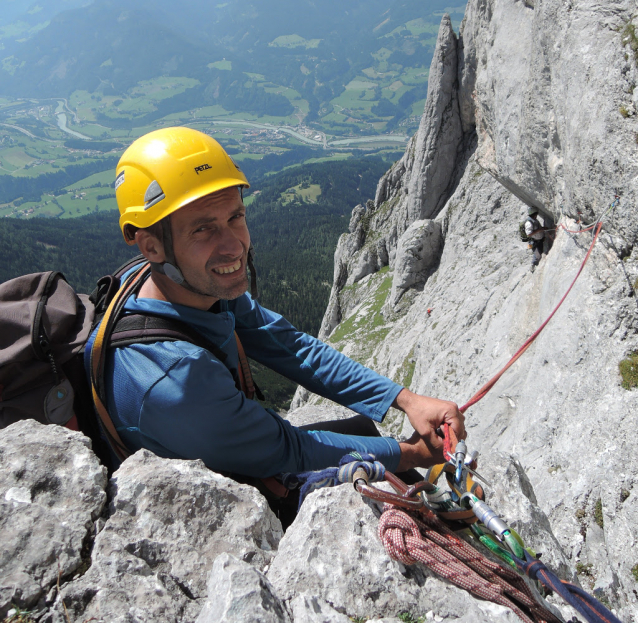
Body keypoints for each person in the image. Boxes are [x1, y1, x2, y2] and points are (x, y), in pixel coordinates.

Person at [87, 127, 465, 503]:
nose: (234, 246)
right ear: (152, 246)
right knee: (395, 478)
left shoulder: (190, 286)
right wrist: (412, 453)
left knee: (368, 435)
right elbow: (288, 450)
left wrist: (406, 400)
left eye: (236, 217)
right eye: (203, 229)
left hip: (229, 446)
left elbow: (292, 348)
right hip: (204, 505)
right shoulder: (174, 380)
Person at [524, 207, 546, 272]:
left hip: (540, 240)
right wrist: (539, 230)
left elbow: (537, 228)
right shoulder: (529, 223)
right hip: (535, 242)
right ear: (534, 214)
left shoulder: (535, 220)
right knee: (538, 255)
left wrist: (542, 228)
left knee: (541, 252)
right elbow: (529, 234)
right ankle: (533, 265)